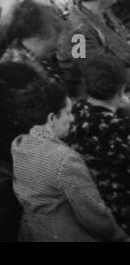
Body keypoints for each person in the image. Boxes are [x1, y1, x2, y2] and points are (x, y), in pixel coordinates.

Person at [11, 76, 127, 242]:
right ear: (51, 118)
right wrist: (121, 237)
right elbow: (94, 216)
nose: (73, 119)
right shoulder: (65, 160)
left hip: (30, 233)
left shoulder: (19, 144)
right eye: (68, 113)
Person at [66, 55, 130, 232]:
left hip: (91, 207)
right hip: (119, 214)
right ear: (121, 89)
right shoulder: (119, 129)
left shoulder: (75, 114)